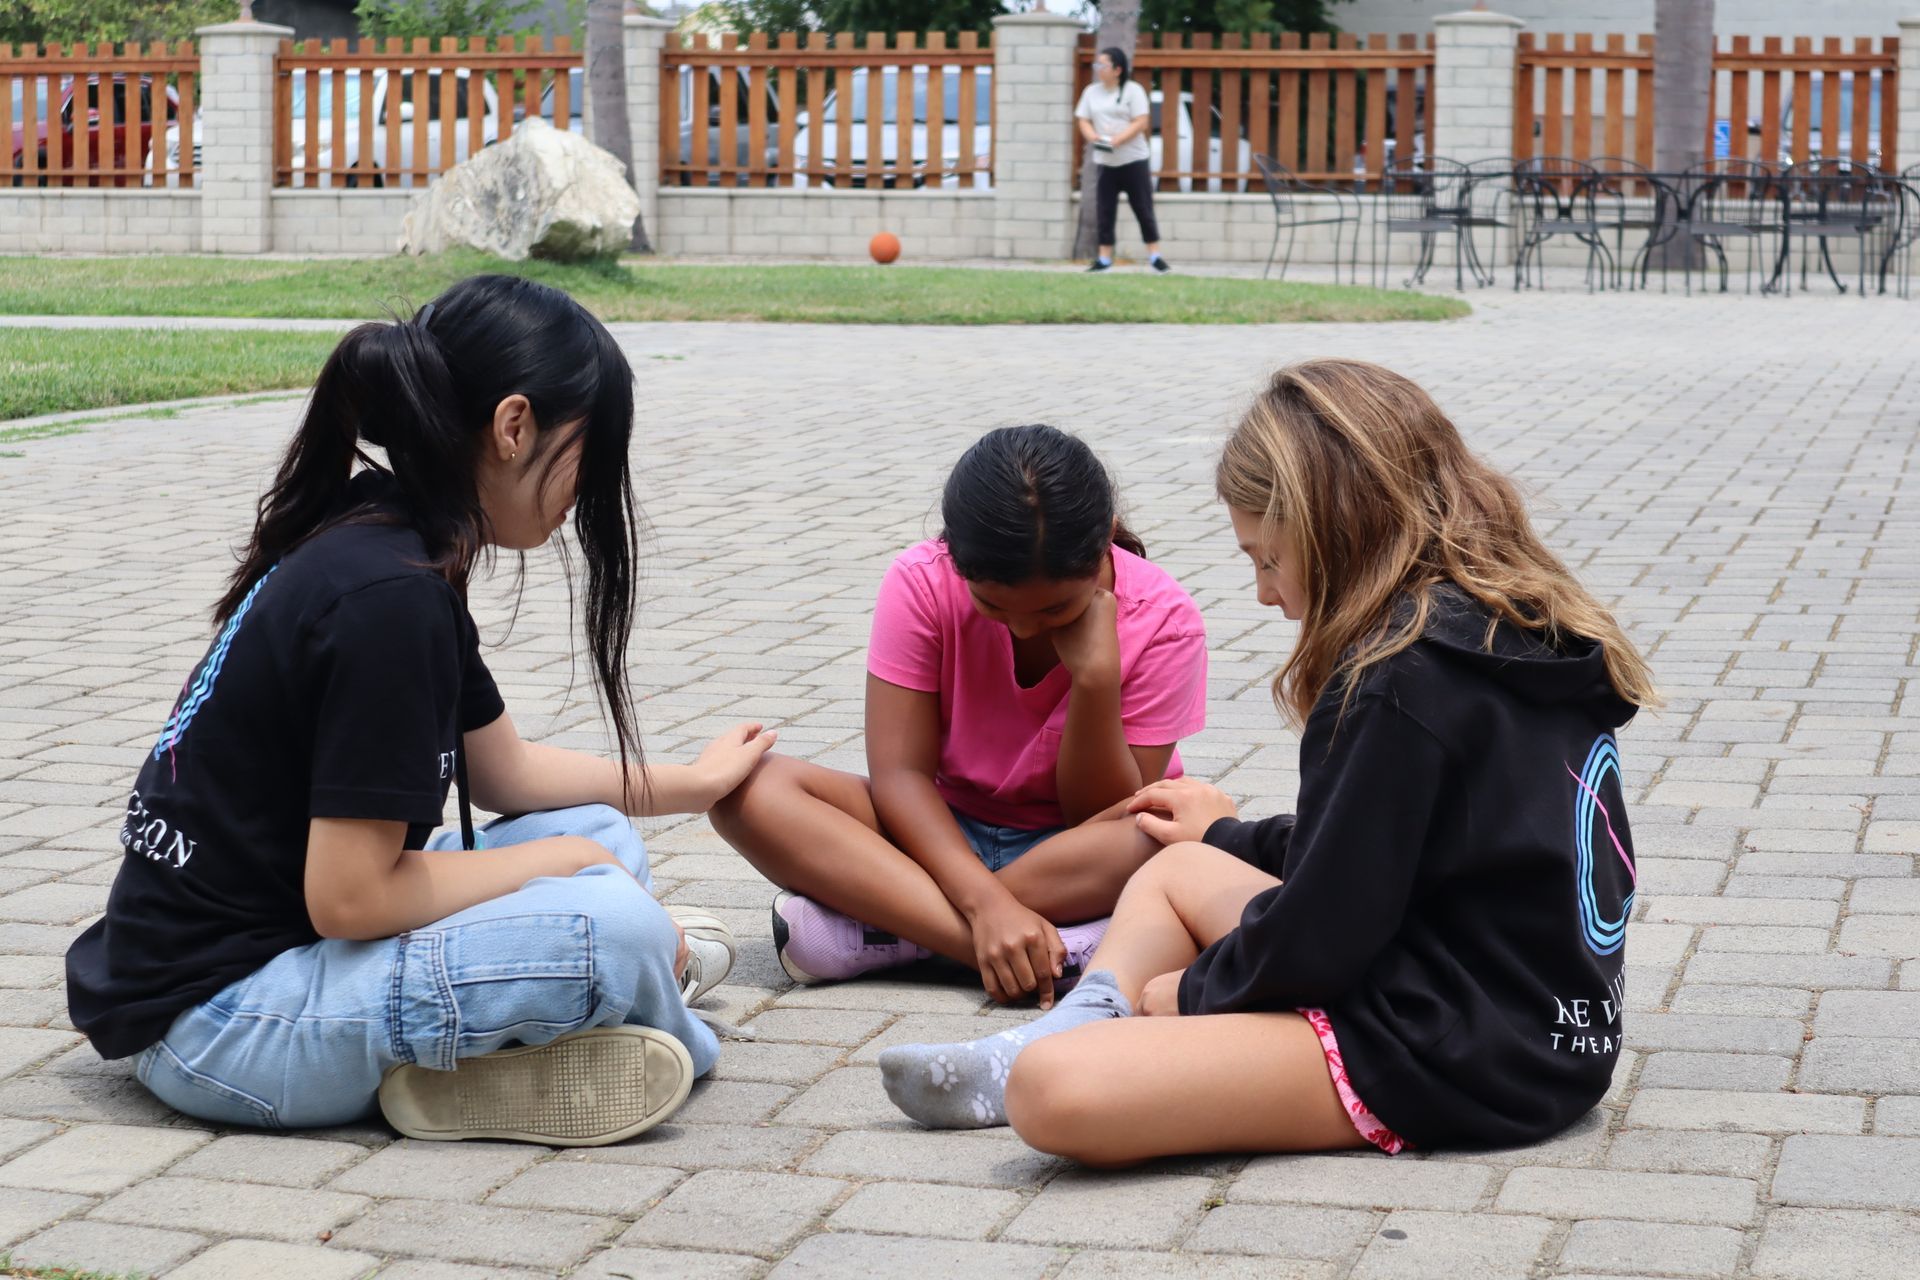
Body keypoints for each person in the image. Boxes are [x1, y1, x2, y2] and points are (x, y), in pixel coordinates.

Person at [878, 359, 1659, 1161]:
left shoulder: (1396, 679)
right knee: (1176, 865)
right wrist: (1226, 835)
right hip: (1549, 1026)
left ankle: (1057, 1050)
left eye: (1266, 559)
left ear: (1333, 528)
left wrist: (1192, 993)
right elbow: (1385, 850)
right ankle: (1073, 1022)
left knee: (1053, 1094)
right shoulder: (1501, 627)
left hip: (1460, 1054)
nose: (1263, 593)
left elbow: (1325, 937)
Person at [65, 275, 777, 1147]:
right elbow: (352, 897)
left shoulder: (392, 536)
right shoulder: (387, 599)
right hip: (226, 1023)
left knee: (602, 834)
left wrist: (692, 785)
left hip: (272, 949)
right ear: (515, 427)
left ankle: (567, 1015)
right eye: (588, 451)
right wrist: (571, 863)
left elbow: (504, 772)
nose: (588, 489)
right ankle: (645, 998)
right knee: (612, 921)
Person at [712, 424, 1206, 1010]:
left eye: (1056, 608)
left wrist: (1095, 681)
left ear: (1103, 550)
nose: (1023, 627)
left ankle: (891, 931)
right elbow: (900, 776)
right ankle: (1038, 955)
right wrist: (987, 908)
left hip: (1079, 849)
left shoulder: (1166, 619)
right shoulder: (921, 580)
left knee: (1173, 840)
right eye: (993, 604)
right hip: (938, 830)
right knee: (747, 788)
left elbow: (1101, 813)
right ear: (957, 560)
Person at [1076, 46, 1169, 274]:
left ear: (1117, 69)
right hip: (1106, 162)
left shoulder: (1133, 91)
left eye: (1103, 65)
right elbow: (1083, 120)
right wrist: (1094, 138)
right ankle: (1104, 258)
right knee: (1105, 210)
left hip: (1133, 160)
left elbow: (1141, 122)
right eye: (1097, 65)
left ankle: (1155, 256)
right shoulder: (1091, 92)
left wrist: (1118, 139)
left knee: (1143, 208)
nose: (1098, 69)